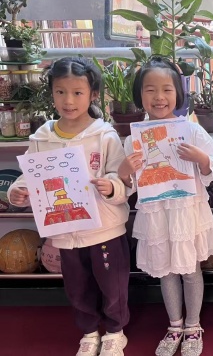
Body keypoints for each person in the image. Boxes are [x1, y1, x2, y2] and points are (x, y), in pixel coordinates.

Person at [8, 57, 130, 356]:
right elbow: (30, 174)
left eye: (77, 92)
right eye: (60, 92)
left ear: (93, 94)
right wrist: (17, 191)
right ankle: (89, 332)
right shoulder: (43, 137)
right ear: (52, 93)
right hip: (65, 230)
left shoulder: (104, 135)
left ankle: (115, 331)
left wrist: (112, 185)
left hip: (104, 229)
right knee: (76, 286)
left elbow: (123, 176)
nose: (69, 100)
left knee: (112, 283)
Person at [117, 57, 213, 356]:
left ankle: (193, 325)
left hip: (187, 211)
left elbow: (212, 169)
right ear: (140, 95)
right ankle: (174, 325)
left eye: (166, 89)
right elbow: (128, 185)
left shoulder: (193, 131)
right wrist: (124, 171)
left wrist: (200, 159)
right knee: (166, 270)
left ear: (178, 93)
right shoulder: (134, 139)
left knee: (190, 269)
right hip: (156, 213)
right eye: (150, 90)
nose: (159, 97)